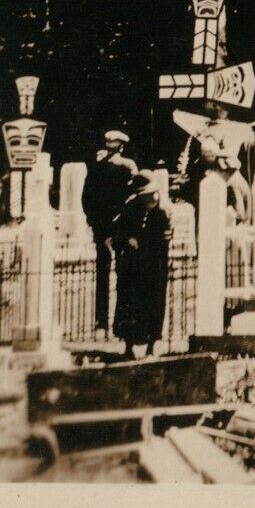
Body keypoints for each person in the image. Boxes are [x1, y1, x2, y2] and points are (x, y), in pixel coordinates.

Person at [81, 129, 136, 337]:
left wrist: (96, 224)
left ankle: (100, 324)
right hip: (121, 227)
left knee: (102, 275)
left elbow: (86, 200)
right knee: (124, 276)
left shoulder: (96, 168)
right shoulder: (128, 167)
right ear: (121, 146)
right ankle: (120, 324)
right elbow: (131, 200)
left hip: (101, 229)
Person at [112, 172, 172, 360]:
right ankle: (129, 344)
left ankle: (152, 343)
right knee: (130, 306)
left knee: (154, 304)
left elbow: (163, 240)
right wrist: (127, 239)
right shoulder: (131, 208)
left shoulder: (163, 212)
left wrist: (145, 243)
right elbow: (117, 233)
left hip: (155, 266)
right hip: (132, 267)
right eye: (145, 195)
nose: (150, 198)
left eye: (153, 194)